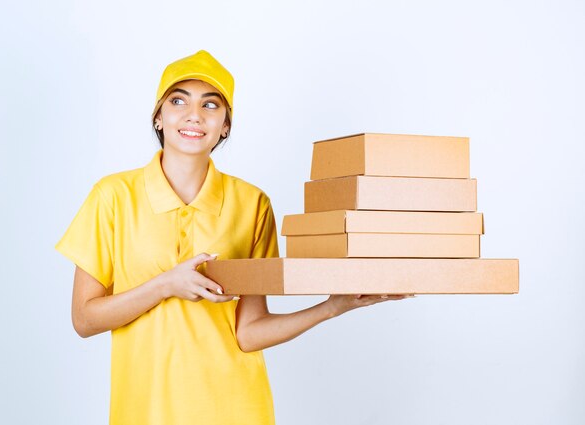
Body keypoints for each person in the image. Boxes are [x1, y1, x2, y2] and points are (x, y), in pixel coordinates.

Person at [55, 50, 411, 425]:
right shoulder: (112, 196)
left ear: (225, 125)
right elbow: (84, 319)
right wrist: (166, 285)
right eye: (179, 101)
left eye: (211, 105)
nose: (195, 115)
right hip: (146, 412)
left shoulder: (252, 203)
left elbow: (248, 332)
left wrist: (331, 307)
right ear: (159, 117)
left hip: (236, 408)